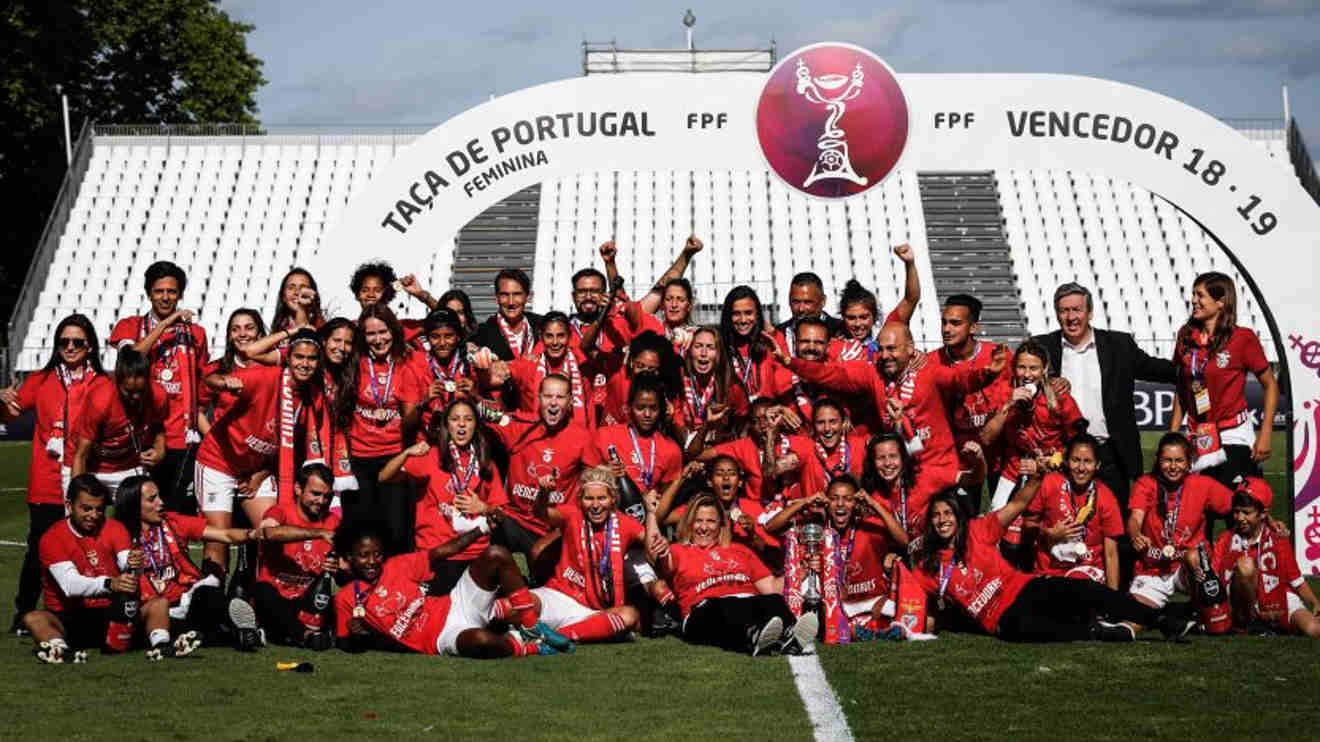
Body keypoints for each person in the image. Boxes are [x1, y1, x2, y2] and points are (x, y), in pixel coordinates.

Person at [907, 466, 1192, 642]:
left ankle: (1162, 621)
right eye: (936, 516)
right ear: (930, 523)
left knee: (1087, 591)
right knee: (1042, 629)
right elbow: (917, 606)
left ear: (958, 517)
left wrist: (1038, 477)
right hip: (1003, 620)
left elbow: (1018, 505)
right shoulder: (927, 566)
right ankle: (1102, 632)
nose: (943, 520)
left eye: (947, 513)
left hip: (1024, 587)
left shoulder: (977, 531)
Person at [782, 321, 1007, 493]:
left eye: (892, 349)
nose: (885, 355)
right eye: (881, 349)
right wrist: (790, 362)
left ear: (910, 348)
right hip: (901, 473)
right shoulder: (873, 374)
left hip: (939, 469)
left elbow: (961, 380)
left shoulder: (928, 370)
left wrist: (987, 373)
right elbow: (832, 374)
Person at [331, 520, 574, 658]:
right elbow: (344, 643)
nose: (372, 561)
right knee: (481, 641)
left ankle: (531, 627)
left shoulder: (397, 565)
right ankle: (529, 647)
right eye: (364, 556)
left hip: (454, 604)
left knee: (497, 554)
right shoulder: (345, 598)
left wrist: (482, 528)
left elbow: (443, 552)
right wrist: (356, 635)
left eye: (377, 554)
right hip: (439, 638)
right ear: (350, 557)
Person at [1, 314, 105, 634]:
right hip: (46, 479)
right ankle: (25, 612)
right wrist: (2, 399)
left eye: (77, 342)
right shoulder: (41, 380)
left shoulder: (101, 384)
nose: (70, 347)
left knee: (86, 546)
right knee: (40, 547)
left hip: (84, 479)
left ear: (89, 347)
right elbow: (12, 412)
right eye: (64, 342)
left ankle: (80, 611)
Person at [1031, 282, 1176, 506]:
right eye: (1064, 311)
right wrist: (1044, 384)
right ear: (1057, 314)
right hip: (1061, 452)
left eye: (1077, 309)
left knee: (1115, 526)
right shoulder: (1042, 346)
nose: (1071, 317)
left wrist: (1196, 368)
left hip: (1111, 453)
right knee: (1063, 521)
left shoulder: (1118, 345)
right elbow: (1021, 380)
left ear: (1090, 313)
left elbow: (1157, 369)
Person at [197, 328, 325, 576]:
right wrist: (224, 382)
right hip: (218, 461)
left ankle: (258, 595)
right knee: (218, 539)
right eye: (299, 357)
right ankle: (209, 600)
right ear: (288, 357)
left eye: (311, 359)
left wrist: (260, 475)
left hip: (256, 469)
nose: (305, 364)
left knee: (272, 531)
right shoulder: (266, 377)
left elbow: (288, 450)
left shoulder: (312, 396)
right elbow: (209, 381)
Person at [646, 493, 818, 655]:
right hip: (703, 612)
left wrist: (799, 572)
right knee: (725, 608)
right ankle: (755, 636)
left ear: (721, 525)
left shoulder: (740, 550)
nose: (704, 527)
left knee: (773, 601)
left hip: (747, 603)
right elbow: (661, 563)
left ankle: (790, 635)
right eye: (698, 521)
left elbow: (772, 587)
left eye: (711, 521)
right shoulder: (677, 550)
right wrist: (660, 549)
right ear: (689, 524)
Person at [113, 475, 264, 655]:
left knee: (209, 593)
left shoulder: (173, 522)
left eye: (159, 496)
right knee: (169, 618)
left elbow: (225, 535)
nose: (161, 503)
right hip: (148, 610)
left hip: (184, 603)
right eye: (152, 499)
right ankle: (235, 633)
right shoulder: (117, 534)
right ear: (133, 505)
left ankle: (239, 631)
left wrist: (254, 534)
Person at [109, 260, 208, 515]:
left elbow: (202, 382)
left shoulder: (196, 334)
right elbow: (132, 357)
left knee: (174, 513)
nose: (165, 297)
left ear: (180, 294)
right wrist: (166, 325)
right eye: (159, 291)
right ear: (148, 293)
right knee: (135, 513)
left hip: (181, 436)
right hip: (142, 435)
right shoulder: (129, 326)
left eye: (172, 292)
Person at [379, 399, 507, 594]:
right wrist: (406, 453)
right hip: (437, 552)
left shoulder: (485, 462)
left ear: (476, 425)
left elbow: (501, 512)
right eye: (455, 419)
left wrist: (483, 508)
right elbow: (384, 476)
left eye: (468, 419)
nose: (462, 424)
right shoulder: (431, 457)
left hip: (476, 552)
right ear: (447, 425)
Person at [1170, 272, 1279, 487]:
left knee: (1238, 510)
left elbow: (1270, 384)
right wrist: (1173, 434)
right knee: (1198, 512)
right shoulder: (1184, 335)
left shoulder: (1243, 338)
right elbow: (1182, 388)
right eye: (1193, 294)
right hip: (1197, 435)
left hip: (1233, 434)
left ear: (1221, 302)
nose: (1193, 300)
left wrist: (1265, 433)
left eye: (1200, 295)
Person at [981, 341, 1085, 563]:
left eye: (1033, 368)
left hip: (1051, 471)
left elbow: (1078, 444)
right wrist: (1009, 404)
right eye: (1021, 367)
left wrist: (1050, 462)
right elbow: (987, 438)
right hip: (1012, 470)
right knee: (995, 523)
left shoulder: (1059, 396)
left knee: (1050, 527)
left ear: (1045, 369)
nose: (1027, 374)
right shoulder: (1003, 393)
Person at [486, 374, 602, 568]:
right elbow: (474, 417)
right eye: (548, 396)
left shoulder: (581, 437)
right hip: (515, 521)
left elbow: (594, 485)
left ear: (571, 402)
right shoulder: (519, 426)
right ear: (538, 399)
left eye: (560, 397)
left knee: (543, 560)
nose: (553, 403)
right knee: (488, 528)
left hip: (553, 528)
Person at [335, 303, 423, 555]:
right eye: (371, 334)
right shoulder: (354, 362)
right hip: (359, 458)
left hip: (394, 456)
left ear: (394, 330)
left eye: (383, 331)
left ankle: (398, 587)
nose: (378, 339)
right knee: (361, 529)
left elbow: (410, 416)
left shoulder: (406, 362)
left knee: (396, 530)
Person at [1124, 433, 1233, 628]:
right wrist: (1135, 535)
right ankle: (1179, 614)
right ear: (1158, 460)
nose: (1173, 466)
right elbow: (1135, 518)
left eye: (1179, 460)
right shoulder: (1146, 483)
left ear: (1189, 461)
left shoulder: (1202, 485)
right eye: (1167, 460)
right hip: (1153, 570)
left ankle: (1202, 608)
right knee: (1132, 622)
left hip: (1188, 568)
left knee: (1194, 556)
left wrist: (1268, 518)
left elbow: (1240, 505)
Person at [23, 475, 136, 663]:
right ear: (69, 506)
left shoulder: (115, 528)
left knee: (156, 604)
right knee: (34, 618)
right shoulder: (52, 538)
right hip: (68, 617)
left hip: (110, 612)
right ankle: (61, 650)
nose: (94, 515)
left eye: (99, 509)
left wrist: (134, 564)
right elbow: (70, 585)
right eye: (86, 508)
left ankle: (162, 644)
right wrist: (110, 583)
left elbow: (126, 562)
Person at [529, 466, 647, 643]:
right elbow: (541, 513)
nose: (596, 505)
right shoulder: (572, 515)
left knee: (629, 615)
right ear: (580, 500)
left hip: (594, 613)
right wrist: (543, 493)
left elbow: (654, 543)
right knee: (522, 603)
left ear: (613, 499)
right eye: (589, 498)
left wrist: (651, 513)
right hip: (560, 596)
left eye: (602, 498)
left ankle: (553, 637)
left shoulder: (624, 523)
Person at [928, 293, 1013, 514]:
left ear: (973, 327)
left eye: (955, 323)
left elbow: (1016, 393)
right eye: (944, 322)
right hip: (958, 462)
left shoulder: (998, 355)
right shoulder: (930, 361)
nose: (947, 329)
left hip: (999, 458)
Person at [1210, 480, 1320, 637]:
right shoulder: (1226, 539)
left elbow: (1295, 578)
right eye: (1236, 511)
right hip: (1239, 602)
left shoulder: (1277, 538)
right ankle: (1249, 624)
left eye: (1246, 512)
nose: (1240, 518)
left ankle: (1271, 623)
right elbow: (1214, 579)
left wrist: (1315, 602)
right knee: (1246, 565)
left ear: (1263, 514)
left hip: (1277, 595)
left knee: (1313, 629)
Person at [251, 463, 340, 649]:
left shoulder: (333, 521)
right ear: (298, 489)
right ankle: (306, 635)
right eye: (315, 494)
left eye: (327, 496)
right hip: (276, 597)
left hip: (309, 600)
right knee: (262, 592)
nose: (322, 501)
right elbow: (269, 533)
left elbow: (348, 565)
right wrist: (318, 533)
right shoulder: (280, 511)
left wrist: (339, 566)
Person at [1026, 434, 1124, 588]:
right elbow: (1027, 525)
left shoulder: (1107, 497)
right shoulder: (1049, 483)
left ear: (1097, 465)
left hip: (1088, 570)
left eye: (1088, 462)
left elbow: (1111, 554)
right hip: (1050, 570)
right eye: (1076, 460)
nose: (1081, 468)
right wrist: (1049, 534)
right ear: (1066, 460)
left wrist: (1112, 600)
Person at [71, 348, 166, 490]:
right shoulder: (100, 400)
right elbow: (81, 455)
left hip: (130, 467)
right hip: (92, 468)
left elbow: (158, 427)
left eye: (141, 391)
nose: (135, 397)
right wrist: (78, 493)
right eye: (129, 391)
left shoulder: (158, 396)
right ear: (117, 381)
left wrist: (160, 449)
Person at [592, 374, 683, 509]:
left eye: (653, 408)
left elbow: (667, 501)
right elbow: (585, 481)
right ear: (629, 407)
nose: (647, 414)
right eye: (640, 407)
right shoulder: (605, 436)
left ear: (661, 409)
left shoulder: (671, 450)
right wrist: (605, 473)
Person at [600, 236, 703, 353]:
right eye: (669, 299)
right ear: (662, 304)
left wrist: (687, 253)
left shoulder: (701, 336)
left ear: (689, 305)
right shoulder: (652, 327)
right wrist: (610, 264)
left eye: (680, 300)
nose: (674, 304)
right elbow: (622, 299)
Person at [493, 311, 597, 427]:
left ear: (569, 336)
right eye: (549, 336)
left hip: (572, 440)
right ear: (541, 336)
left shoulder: (581, 364)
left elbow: (589, 411)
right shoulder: (528, 364)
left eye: (561, 335)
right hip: (535, 438)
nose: (555, 342)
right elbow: (492, 377)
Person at [828, 244, 921, 362]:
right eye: (851, 318)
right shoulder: (831, 346)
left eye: (864, 317)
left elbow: (911, 299)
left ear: (875, 315)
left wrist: (910, 264)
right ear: (843, 317)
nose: (857, 324)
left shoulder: (884, 335)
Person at [859, 432, 941, 542]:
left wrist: (972, 463)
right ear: (873, 463)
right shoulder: (875, 498)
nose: (887, 463)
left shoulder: (924, 476)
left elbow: (963, 478)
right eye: (880, 458)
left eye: (893, 456)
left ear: (903, 458)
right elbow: (906, 543)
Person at [675, 326, 742, 457]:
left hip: (718, 458)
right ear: (689, 351)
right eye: (698, 346)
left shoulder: (731, 386)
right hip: (684, 454)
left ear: (718, 353)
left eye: (710, 347)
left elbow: (743, 422)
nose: (703, 353)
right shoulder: (678, 383)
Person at [413, 308, 480, 432]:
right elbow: (407, 422)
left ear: (458, 337)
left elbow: (495, 414)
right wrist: (424, 401)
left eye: (449, 336)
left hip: (464, 439)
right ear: (427, 338)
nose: (442, 343)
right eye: (435, 337)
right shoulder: (416, 365)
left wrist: (476, 396)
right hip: (428, 442)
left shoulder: (473, 364)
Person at [198, 308, 267, 428]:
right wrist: (212, 441)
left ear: (260, 334)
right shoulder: (215, 369)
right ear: (229, 336)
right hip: (223, 444)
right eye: (235, 329)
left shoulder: (274, 369)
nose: (242, 334)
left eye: (249, 328)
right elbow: (199, 411)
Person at [472, 268, 542, 362]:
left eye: (517, 294)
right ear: (496, 298)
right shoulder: (481, 334)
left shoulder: (542, 325)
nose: (511, 302)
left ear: (527, 297)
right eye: (504, 295)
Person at [270, 268, 325, 336]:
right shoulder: (277, 329)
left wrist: (301, 307)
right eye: (291, 288)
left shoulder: (322, 328)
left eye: (303, 287)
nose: (296, 292)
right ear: (283, 296)